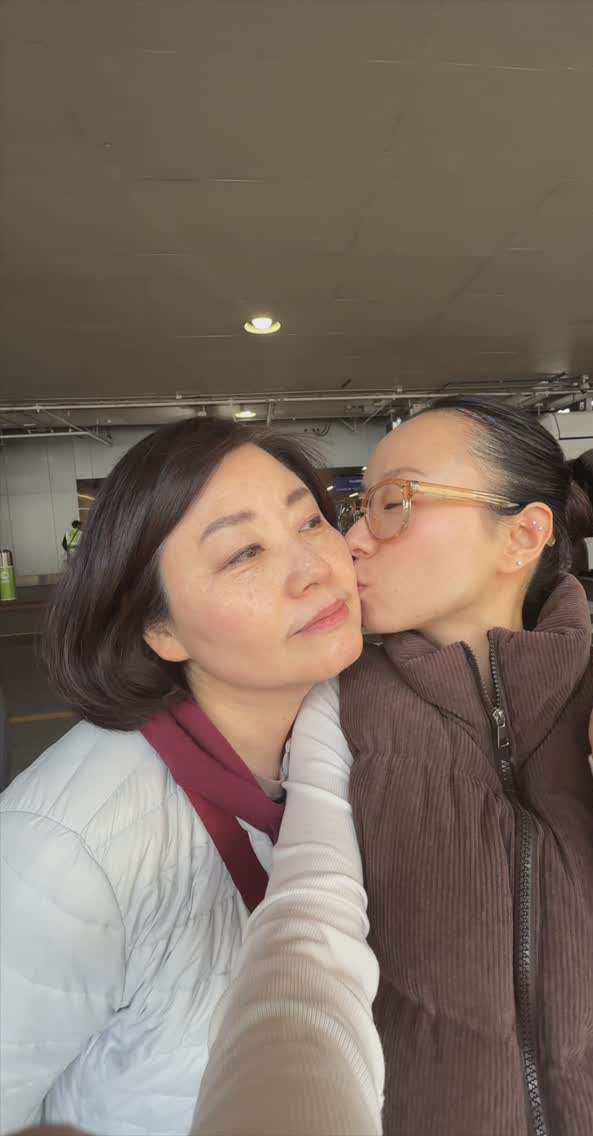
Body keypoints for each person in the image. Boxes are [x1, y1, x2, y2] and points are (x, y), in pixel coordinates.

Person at [0, 418, 380, 1136]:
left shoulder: (363, 735)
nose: (313, 566)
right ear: (160, 629)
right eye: (244, 552)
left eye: (310, 520)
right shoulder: (64, 850)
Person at [289, 396, 593, 1135]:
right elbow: (307, 935)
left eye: (394, 504)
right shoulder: (340, 706)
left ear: (523, 535)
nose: (353, 540)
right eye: (358, 509)